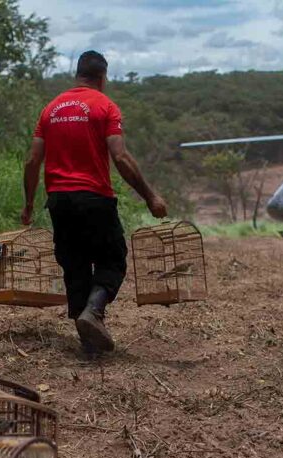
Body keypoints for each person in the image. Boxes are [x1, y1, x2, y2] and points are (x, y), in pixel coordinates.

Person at [20, 50, 168, 353]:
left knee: (74, 265)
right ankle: (94, 312)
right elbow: (121, 157)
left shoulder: (51, 109)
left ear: (78, 75)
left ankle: (87, 339)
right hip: (94, 198)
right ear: (103, 77)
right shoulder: (105, 106)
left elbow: (32, 161)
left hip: (59, 201)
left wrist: (29, 205)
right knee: (112, 259)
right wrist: (150, 196)